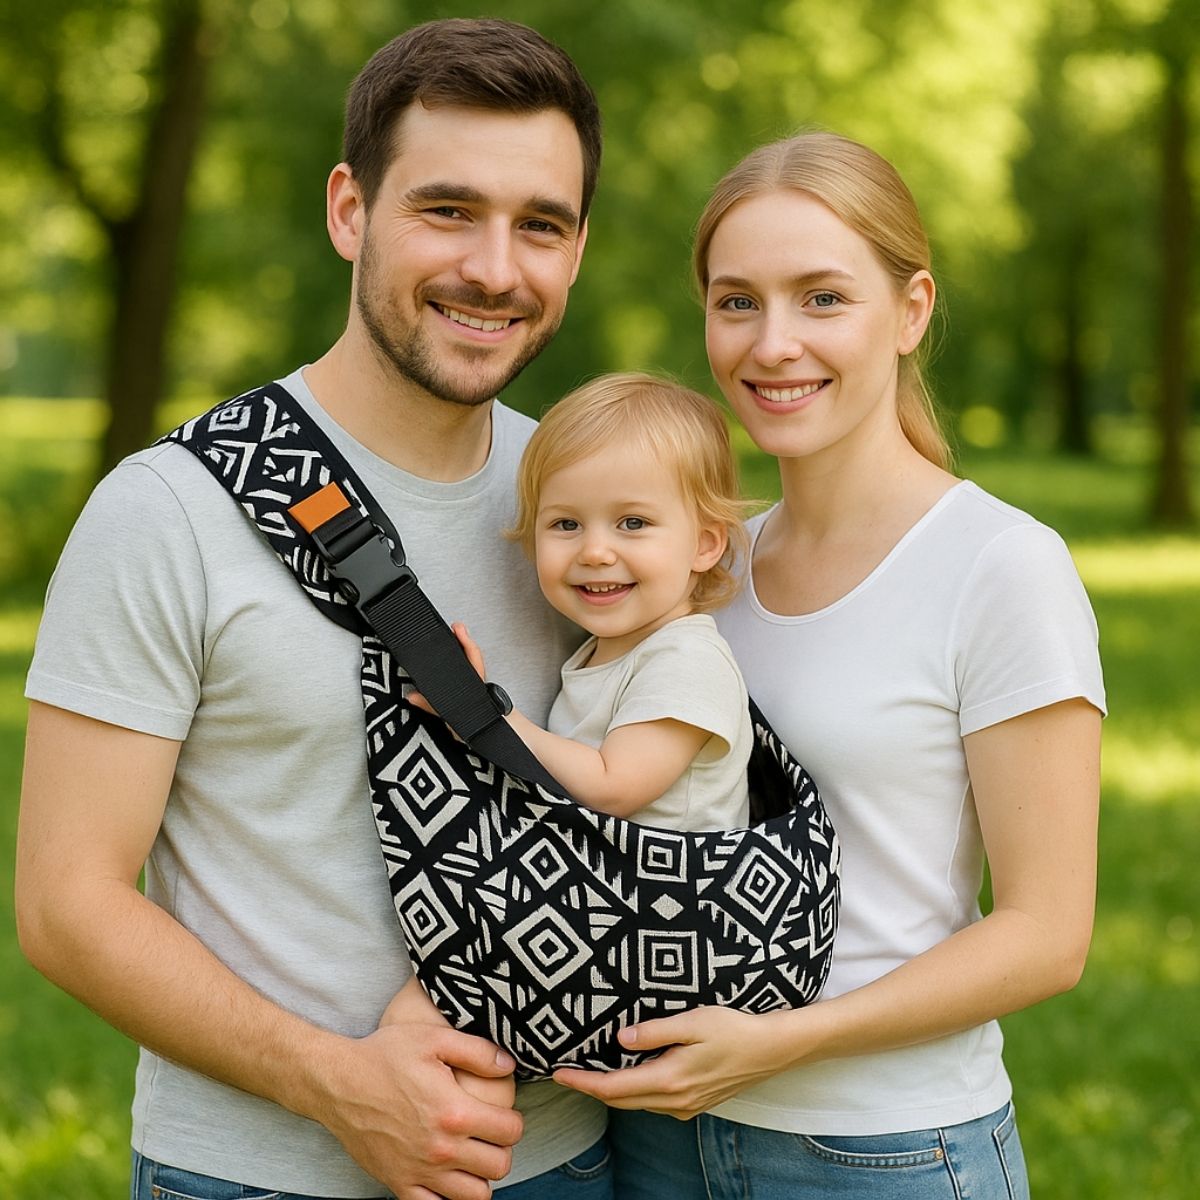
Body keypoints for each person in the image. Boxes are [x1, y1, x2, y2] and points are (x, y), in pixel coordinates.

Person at [15, 18, 614, 1200]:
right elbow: (65, 904)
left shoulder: (589, 507)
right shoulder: (168, 513)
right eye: (447, 211)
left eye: (539, 224)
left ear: (578, 248)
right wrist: (336, 1082)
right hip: (254, 1176)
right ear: (350, 211)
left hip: (564, 1166)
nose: (495, 269)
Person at [557, 131, 1105, 1199]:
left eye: (821, 299)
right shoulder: (697, 567)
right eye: (736, 302)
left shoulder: (1000, 568)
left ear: (910, 311)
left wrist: (788, 1042)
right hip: (654, 1139)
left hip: (881, 1153)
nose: (772, 345)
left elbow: (1048, 937)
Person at [420, 371, 753, 833]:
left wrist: (487, 714)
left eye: (633, 523)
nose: (595, 552)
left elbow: (614, 786)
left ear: (704, 544)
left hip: (670, 900)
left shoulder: (687, 660)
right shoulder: (603, 649)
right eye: (566, 525)